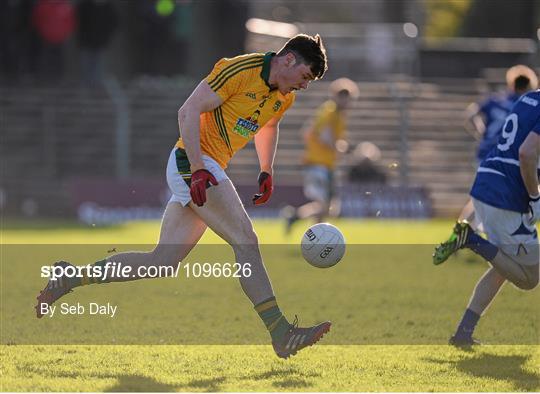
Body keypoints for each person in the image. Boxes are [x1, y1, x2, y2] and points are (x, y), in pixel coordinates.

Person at [36, 34, 330, 359]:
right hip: (192, 162)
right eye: (305, 77)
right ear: (288, 59)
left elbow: (268, 126)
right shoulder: (238, 69)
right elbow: (187, 110)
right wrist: (198, 167)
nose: (304, 87)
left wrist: (266, 169)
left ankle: (70, 277)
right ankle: (281, 332)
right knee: (246, 239)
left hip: (208, 167)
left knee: (161, 262)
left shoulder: (283, 97)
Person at [432, 89, 540, 346]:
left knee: (503, 266)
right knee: (529, 278)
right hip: (505, 197)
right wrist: (535, 197)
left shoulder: (528, 97)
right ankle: (470, 239)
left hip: (487, 183)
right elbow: (526, 153)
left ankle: (463, 333)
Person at [458, 65, 538, 226]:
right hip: (505, 156)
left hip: (486, 152)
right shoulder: (526, 103)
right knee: (497, 197)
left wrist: (480, 133)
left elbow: (470, 114)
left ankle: (464, 228)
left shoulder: (495, 99)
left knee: (484, 195)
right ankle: (468, 230)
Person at [283, 77, 359, 232]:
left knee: (325, 206)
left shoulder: (331, 111)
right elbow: (323, 135)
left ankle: (312, 234)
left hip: (321, 163)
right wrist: (339, 148)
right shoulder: (331, 112)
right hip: (319, 165)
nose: (348, 103)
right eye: (346, 98)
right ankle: (296, 217)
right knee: (327, 206)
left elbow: (307, 131)